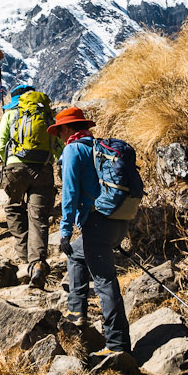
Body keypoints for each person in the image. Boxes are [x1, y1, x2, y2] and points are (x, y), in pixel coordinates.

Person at [54, 106, 131, 356]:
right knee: (77, 254)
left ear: (67, 128)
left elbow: (70, 193)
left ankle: (117, 345)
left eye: (59, 132)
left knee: (105, 282)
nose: (59, 137)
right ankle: (77, 312)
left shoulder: (73, 149)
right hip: (117, 220)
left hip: (97, 223)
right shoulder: (98, 147)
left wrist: (64, 231)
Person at [0, 83, 60, 288]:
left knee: (14, 206)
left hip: (15, 168)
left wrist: (10, 164)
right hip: (43, 167)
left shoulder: (10, 115)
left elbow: (0, 145)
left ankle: (24, 254)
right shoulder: (47, 115)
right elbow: (58, 145)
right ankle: (37, 264)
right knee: (38, 217)